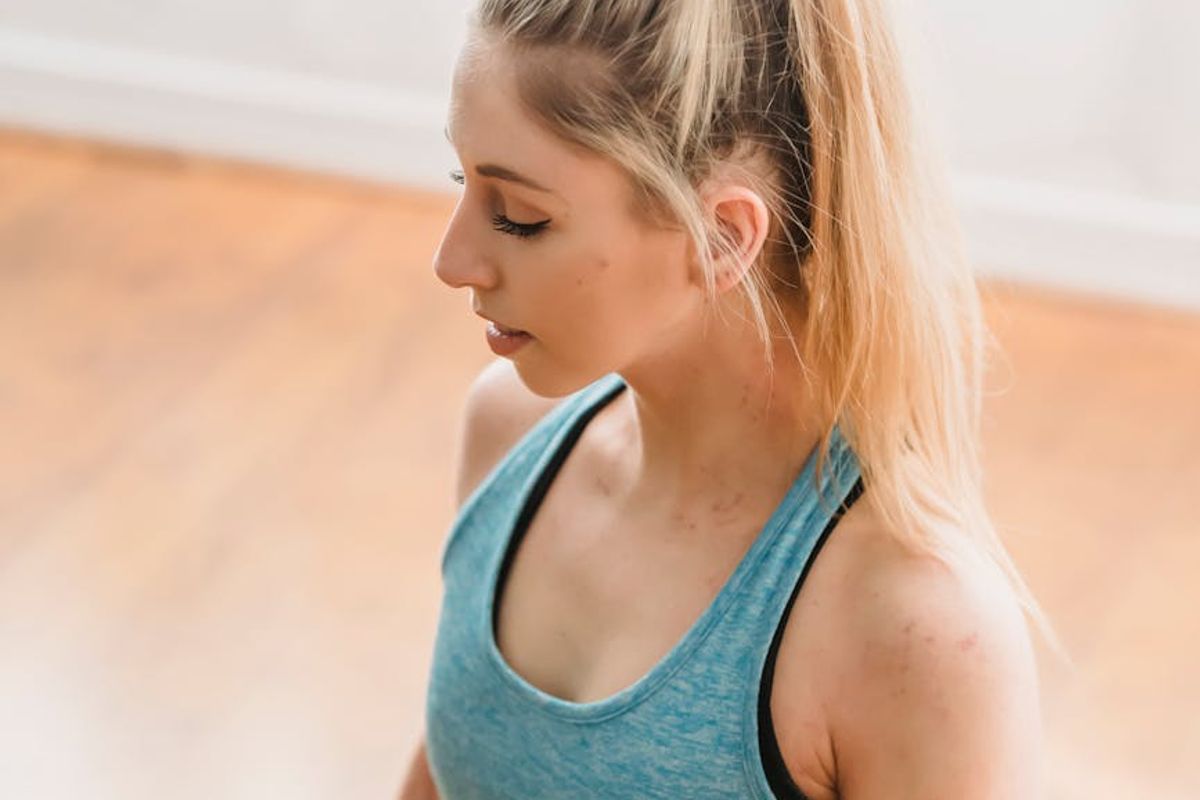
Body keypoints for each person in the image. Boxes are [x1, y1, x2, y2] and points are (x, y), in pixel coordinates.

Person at [401, 0, 1071, 797]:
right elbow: (462, 764)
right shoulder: (511, 433)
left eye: (519, 217)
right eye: (461, 179)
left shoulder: (914, 631)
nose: (453, 259)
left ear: (723, 237)